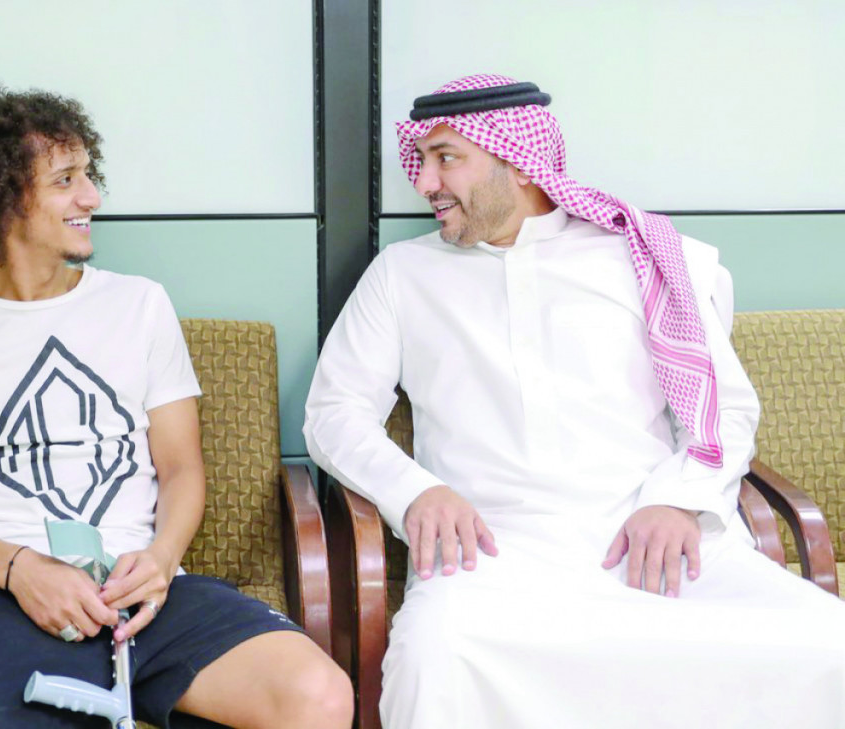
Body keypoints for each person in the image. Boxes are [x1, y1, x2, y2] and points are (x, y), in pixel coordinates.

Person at [304, 74, 845, 729]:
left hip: (654, 545)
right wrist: (415, 491)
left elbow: (723, 410)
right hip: (492, 557)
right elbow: (334, 412)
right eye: (421, 160)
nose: (424, 183)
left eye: (446, 159)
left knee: (828, 647)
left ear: (519, 163)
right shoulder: (403, 274)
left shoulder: (644, 259)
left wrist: (679, 500)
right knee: (434, 654)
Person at [0, 85, 353, 729]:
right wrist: (21, 570)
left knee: (318, 696)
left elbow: (181, 469)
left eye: (88, 174)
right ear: (2, 198)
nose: (92, 197)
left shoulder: (140, 305)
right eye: (65, 180)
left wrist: (161, 560)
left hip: (142, 591)